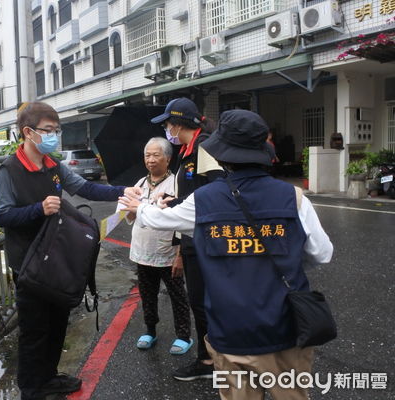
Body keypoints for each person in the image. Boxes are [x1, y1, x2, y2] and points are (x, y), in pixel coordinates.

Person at [120, 109, 333, 400]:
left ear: (223, 156)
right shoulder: (294, 197)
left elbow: (158, 220)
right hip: (286, 331)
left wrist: (139, 205)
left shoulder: (203, 200)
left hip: (230, 333)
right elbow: (322, 254)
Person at [0, 101, 142, 400]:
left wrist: (121, 191)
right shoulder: (9, 170)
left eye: (56, 131)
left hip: (57, 258)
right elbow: (1, 215)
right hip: (29, 262)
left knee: (57, 322)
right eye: (48, 131)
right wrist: (38, 209)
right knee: (35, 330)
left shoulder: (54, 166)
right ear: (28, 132)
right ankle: (32, 389)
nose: (53, 137)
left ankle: (49, 377)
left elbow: (86, 189)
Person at [150, 97, 223, 380]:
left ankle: (209, 362)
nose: (168, 130)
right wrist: (175, 201)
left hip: (205, 238)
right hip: (194, 237)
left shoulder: (204, 148)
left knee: (204, 302)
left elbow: (214, 192)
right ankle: (211, 357)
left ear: (178, 125)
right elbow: (196, 192)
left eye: (168, 124)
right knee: (201, 301)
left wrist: (174, 203)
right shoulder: (190, 150)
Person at [122, 137, 192, 354]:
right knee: (147, 294)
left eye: (156, 155)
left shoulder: (176, 184)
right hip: (142, 251)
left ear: (168, 158)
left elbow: (182, 222)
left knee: (177, 294)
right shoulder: (139, 185)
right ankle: (150, 330)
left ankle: (183, 335)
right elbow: (130, 218)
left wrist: (180, 254)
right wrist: (131, 207)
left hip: (168, 251)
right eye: (147, 155)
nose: (151, 160)